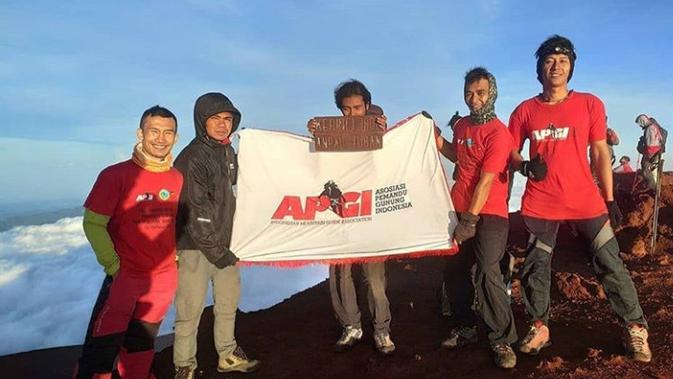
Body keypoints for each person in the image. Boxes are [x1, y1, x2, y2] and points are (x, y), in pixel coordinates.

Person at [508, 35, 651, 362]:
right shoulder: (524, 111)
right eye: (548, 60)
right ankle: (540, 324)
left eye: (562, 60)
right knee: (535, 267)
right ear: (539, 68)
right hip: (541, 202)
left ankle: (634, 327)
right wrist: (525, 165)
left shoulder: (590, 104)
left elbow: (600, 151)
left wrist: (610, 197)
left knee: (610, 263)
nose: (555, 66)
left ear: (571, 67)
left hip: (585, 199)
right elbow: (512, 152)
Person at [74, 105, 183, 378]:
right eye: (154, 131)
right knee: (102, 346)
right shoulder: (115, 175)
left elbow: (174, 222)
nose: (161, 138)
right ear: (140, 133)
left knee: (141, 343)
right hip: (125, 277)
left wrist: (176, 258)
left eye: (168, 132)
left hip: (162, 279)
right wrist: (114, 267)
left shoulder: (176, 177)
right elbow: (93, 223)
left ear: (175, 137)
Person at [173, 93, 260, 378]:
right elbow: (195, 211)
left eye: (228, 119)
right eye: (216, 119)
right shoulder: (192, 156)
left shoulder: (227, 151)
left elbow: (237, 188)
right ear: (202, 121)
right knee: (189, 312)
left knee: (227, 304)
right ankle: (184, 366)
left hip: (225, 244)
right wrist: (218, 251)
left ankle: (227, 354)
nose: (223, 125)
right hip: (195, 247)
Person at [306, 79, 395, 355]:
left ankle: (382, 330)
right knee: (340, 274)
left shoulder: (379, 127)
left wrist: (387, 134)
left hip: (370, 213)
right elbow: (319, 164)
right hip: (341, 213)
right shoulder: (333, 134)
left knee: (375, 277)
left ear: (367, 106)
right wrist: (314, 135)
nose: (351, 114)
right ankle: (351, 326)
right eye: (346, 109)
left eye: (357, 108)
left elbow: (394, 160)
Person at [439, 67, 518, 369]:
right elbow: (457, 156)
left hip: (489, 212)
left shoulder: (499, 132)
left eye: (480, 93)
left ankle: (502, 339)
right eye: (469, 93)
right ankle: (466, 327)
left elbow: (486, 181)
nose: (474, 99)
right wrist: (433, 135)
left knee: (487, 271)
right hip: (459, 207)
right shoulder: (460, 127)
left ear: (492, 93)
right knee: (455, 271)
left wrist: (469, 221)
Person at [635, 114, 665, 190]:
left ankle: (652, 187)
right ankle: (654, 187)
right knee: (653, 170)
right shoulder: (655, 127)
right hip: (657, 151)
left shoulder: (649, 129)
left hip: (651, 152)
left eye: (640, 123)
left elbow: (650, 144)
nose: (640, 125)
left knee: (645, 168)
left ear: (642, 121)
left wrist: (641, 145)